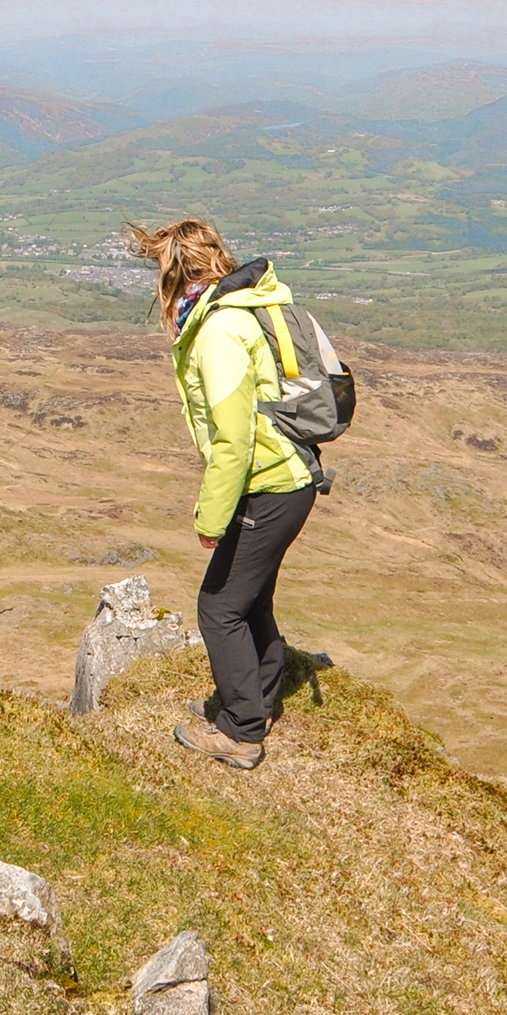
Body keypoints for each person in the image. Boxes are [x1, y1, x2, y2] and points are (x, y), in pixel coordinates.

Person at [123, 216, 318, 771]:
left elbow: (233, 440)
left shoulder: (217, 332)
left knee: (219, 607)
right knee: (249, 598)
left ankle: (241, 731)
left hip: (268, 486)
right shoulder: (240, 309)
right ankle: (257, 697)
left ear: (177, 271)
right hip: (287, 482)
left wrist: (211, 518)